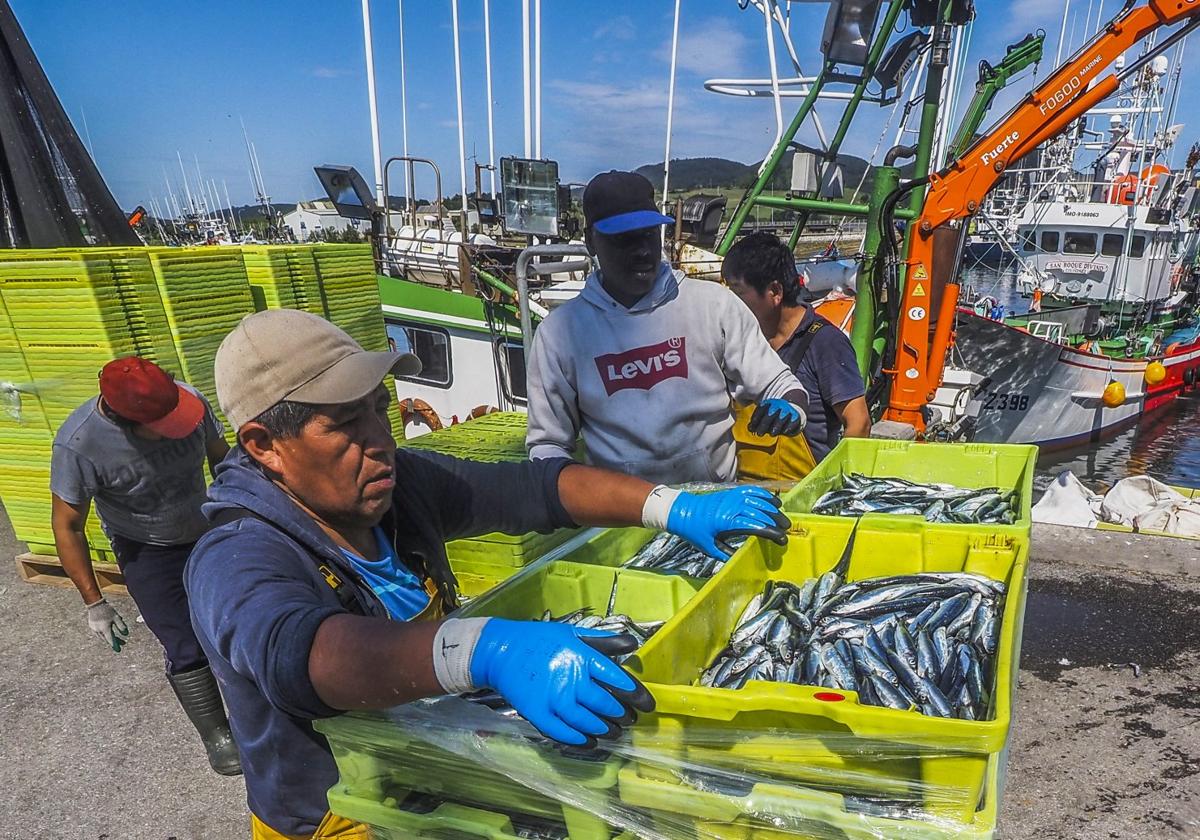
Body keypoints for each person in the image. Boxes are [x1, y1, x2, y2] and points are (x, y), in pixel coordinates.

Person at [185, 308, 791, 838]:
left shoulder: (397, 488)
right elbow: (300, 653)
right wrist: (485, 648)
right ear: (264, 444)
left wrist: (670, 505)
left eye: (378, 409)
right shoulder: (236, 555)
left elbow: (532, 489)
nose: (379, 441)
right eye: (344, 423)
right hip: (338, 814)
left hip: (437, 776)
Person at [525, 170, 810, 486]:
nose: (643, 251)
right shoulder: (560, 334)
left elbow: (778, 382)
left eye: (648, 234)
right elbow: (548, 444)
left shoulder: (713, 304)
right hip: (621, 516)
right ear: (592, 242)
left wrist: (792, 407)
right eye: (624, 239)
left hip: (714, 502)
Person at [49, 356, 240, 775]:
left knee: (240, 621)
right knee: (184, 643)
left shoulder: (191, 403)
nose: (177, 425)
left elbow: (222, 459)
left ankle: (259, 714)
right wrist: (94, 602)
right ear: (124, 420)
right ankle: (218, 735)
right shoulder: (80, 446)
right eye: (163, 424)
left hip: (206, 525)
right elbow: (67, 526)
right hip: (147, 548)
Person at [724, 232, 871, 477]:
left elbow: (860, 423)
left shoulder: (825, 342)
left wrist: (831, 486)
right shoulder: (739, 340)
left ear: (774, 291)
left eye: (738, 292)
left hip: (802, 495)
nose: (729, 303)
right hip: (743, 495)